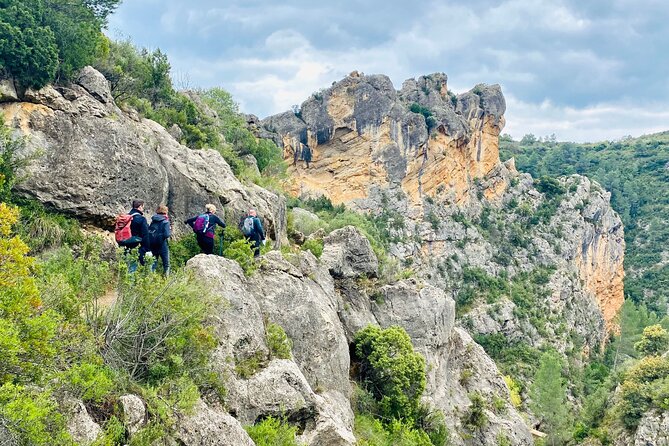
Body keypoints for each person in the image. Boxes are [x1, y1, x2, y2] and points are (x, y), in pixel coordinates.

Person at [123, 199, 149, 272]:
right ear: (140, 206)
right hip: (136, 246)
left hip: (124, 245)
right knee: (133, 268)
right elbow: (145, 235)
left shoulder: (127, 217)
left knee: (125, 267)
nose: (143, 209)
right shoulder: (141, 219)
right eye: (143, 207)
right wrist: (147, 249)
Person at [149, 204, 171, 275]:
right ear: (165, 211)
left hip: (153, 244)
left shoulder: (153, 220)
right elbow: (167, 234)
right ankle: (165, 280)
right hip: (162, 244)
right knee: (166, 264)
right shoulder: (165, 221)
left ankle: (151, 279)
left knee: (153, 262)